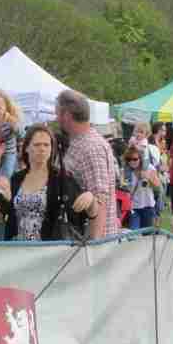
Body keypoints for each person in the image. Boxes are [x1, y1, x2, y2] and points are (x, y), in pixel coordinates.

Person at [5, 124, 94, 241]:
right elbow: (10, 215)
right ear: (26, 147)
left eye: (46, 145)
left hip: (50, 251)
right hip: (18, 250)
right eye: (37, 145)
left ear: (52, 148)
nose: (42, 149)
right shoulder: (16, 178)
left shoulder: (62, 178)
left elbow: (85, 214)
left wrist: (91, 198)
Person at [55, 90, 115, 238]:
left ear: (67, 115)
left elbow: (100, 198)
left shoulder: (91, 147)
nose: (56, 118)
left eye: (57, 114)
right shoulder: (78, 142)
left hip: (91, 244)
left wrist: (95, 247)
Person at [121, 144, 161, 230]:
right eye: (129, 159)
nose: (132, 162)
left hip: (148, 206)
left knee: (147, 235)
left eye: (135, 159)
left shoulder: (149, 168)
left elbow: (157, 186)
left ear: (140, 158)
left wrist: (148, 177)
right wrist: (124, 185)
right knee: (133, 234)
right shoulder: (126, 171)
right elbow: (124, 188)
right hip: (133, 207)